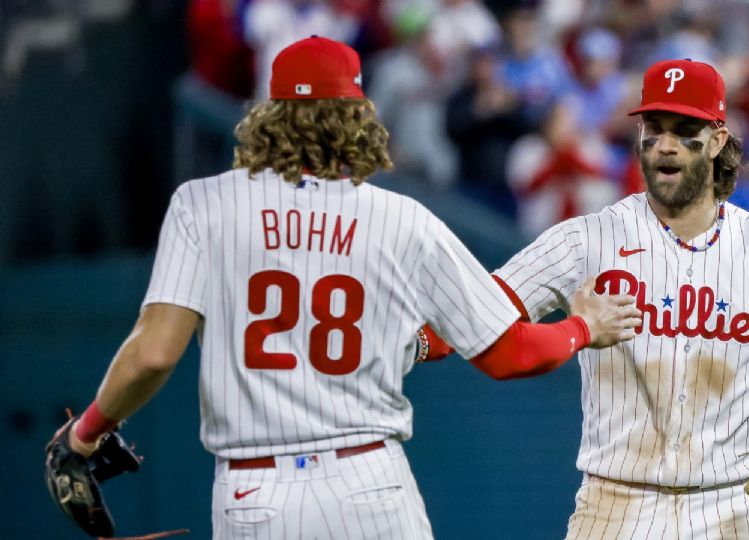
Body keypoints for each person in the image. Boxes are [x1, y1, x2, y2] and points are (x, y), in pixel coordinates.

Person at [51, 36, 643, 539]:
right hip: (370, 483)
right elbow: (511, 354)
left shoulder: (204, 205)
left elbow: (154, 355)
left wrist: (87, 431)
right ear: (357, 115)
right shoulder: (402, 219)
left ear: (267, 113)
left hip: (253, 493)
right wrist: (582, 327)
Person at [421, 59, 749, 539]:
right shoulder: (587, 240)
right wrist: (409, 343)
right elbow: (476, 313)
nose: (666, 145)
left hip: (729, 510)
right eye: (654, 129)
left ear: (718, 140)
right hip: (614, 506)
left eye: (684, 129)